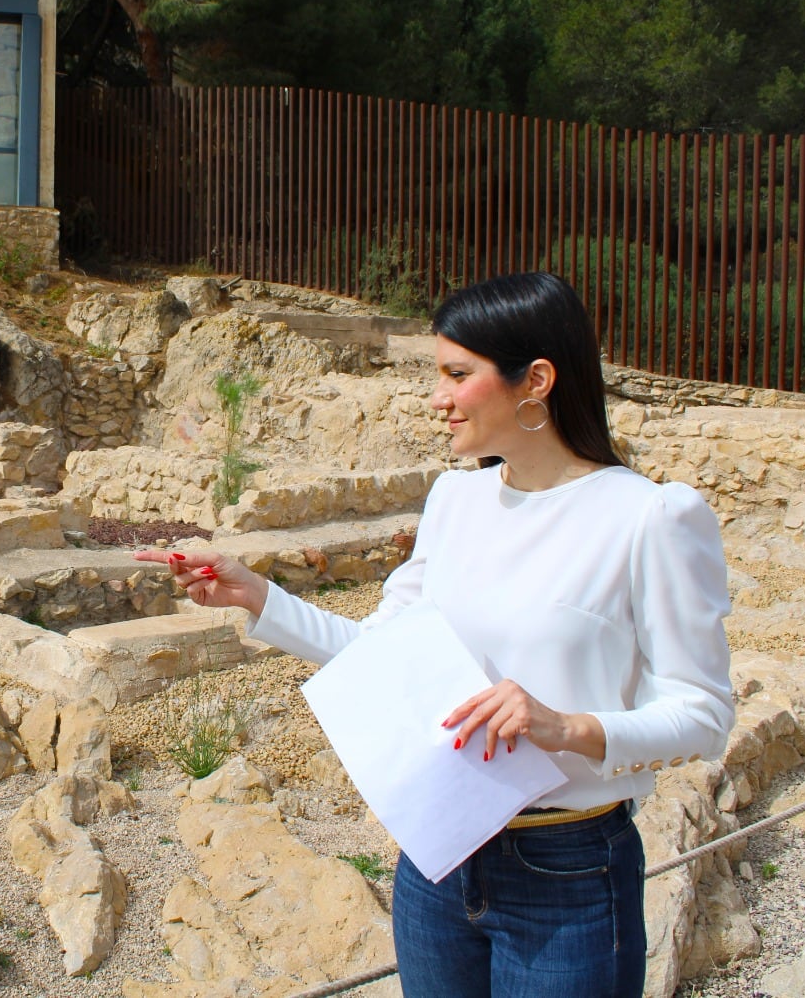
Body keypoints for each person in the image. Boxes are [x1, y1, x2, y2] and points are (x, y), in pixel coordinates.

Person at [133, 271, 735, 998]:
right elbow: (386, 655)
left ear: (535, 381)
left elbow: (703, 715)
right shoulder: (455, 498)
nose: (436, 398)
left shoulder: (651, 518)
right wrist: (255, 593)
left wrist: (566, 725)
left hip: (569, 870)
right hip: (436, 857)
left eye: (457, 374)